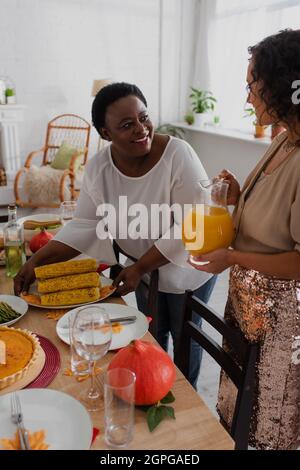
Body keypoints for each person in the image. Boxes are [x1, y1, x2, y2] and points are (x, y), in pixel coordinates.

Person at [14, 82, 216, 388]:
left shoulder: (178, 155)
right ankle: (156, 387)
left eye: (143, 117)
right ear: (106, 134)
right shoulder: (99, 169)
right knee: (152, 331)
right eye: (126, 125)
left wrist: (139, 267)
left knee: (183, 335)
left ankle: (188, 398)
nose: (141, 129)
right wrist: (36, 262)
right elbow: (84, 225)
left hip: (189, 266)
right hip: (145, 269)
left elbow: (193, 224)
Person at [189, 29, 300, 450]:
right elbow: (275, 212)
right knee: (241, 409)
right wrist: (241, 198)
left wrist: (232, 254)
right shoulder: (285, 139)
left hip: (283, 318)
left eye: (253, 84)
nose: (248, 96)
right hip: (250, 304)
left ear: (282, 83)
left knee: (272, 424)